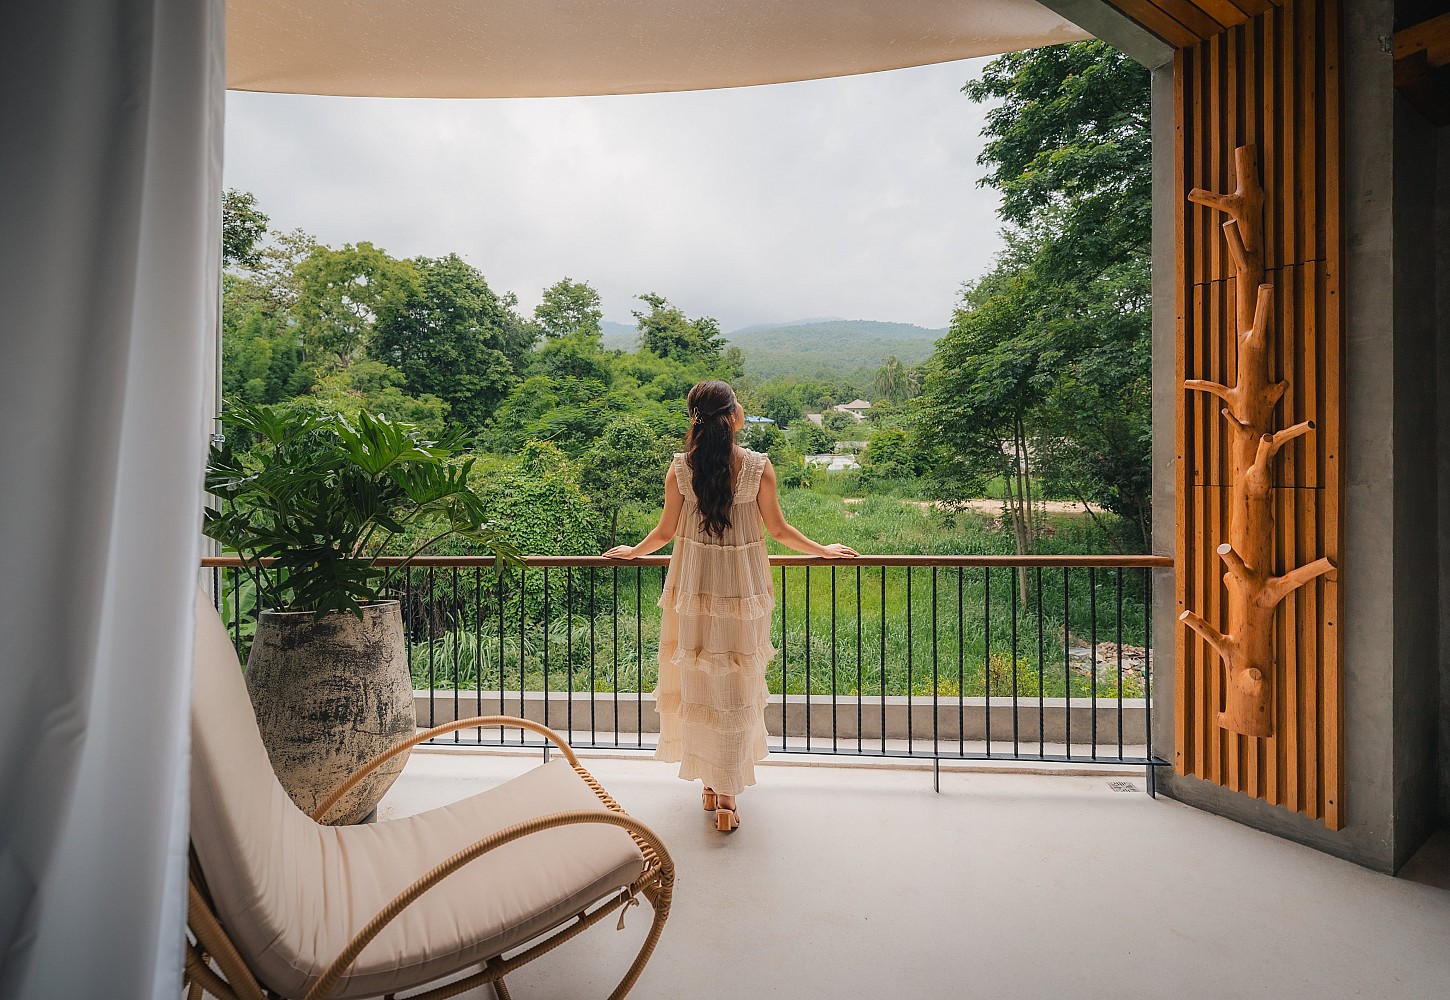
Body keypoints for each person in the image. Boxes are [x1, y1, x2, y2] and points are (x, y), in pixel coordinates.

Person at [604, 380, 858, 832]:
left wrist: (634, 552)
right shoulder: (758, 465)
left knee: (699, 683)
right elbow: (778, 531)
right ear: (733, 416)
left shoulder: (681, 468)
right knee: (737, 688)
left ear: (695, 420)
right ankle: (726, 797)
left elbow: (663, 535)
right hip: (742, 591)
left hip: (693, 588)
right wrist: (822, 549)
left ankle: (710, 784)